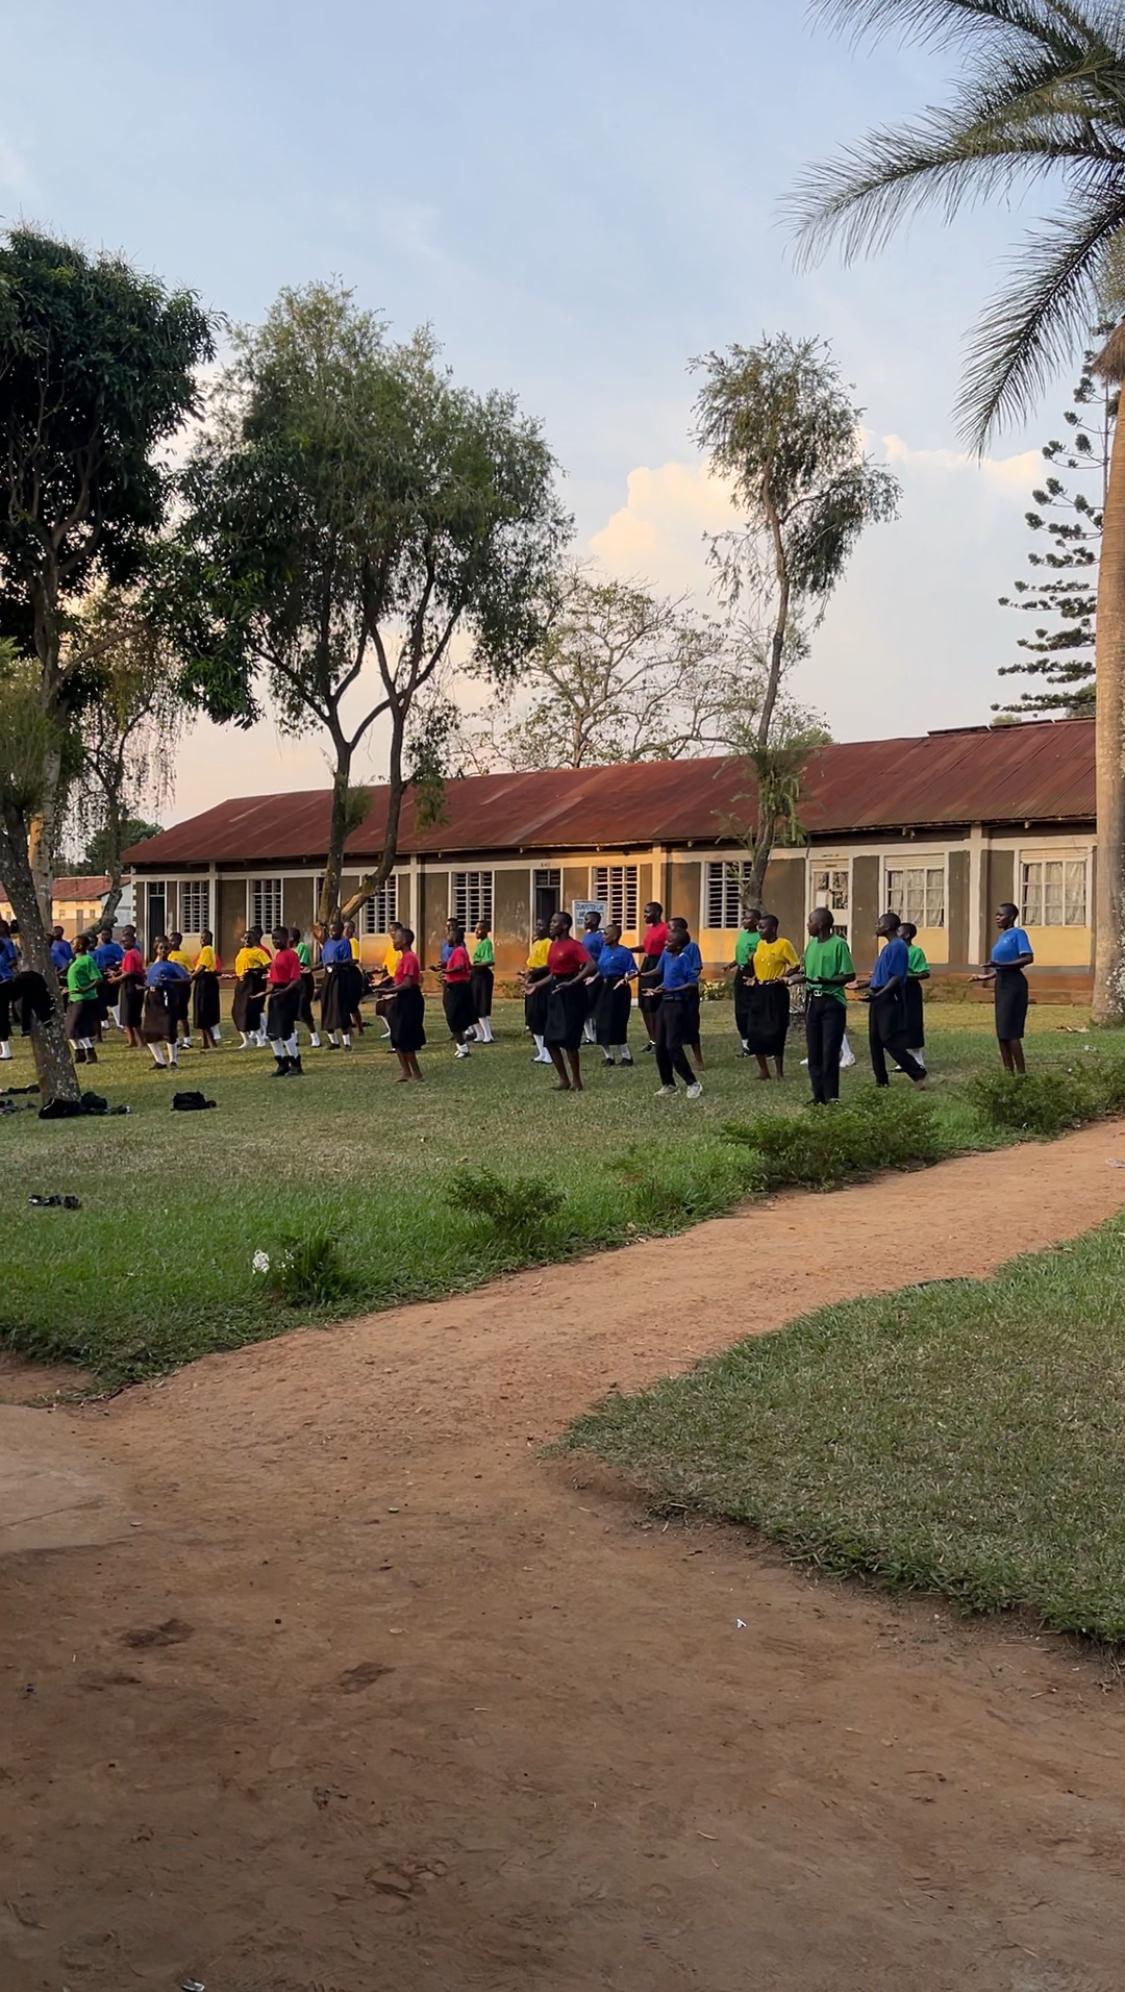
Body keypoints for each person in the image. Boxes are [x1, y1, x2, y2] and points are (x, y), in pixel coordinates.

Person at [857, 913, 928, 1089]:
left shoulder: (898, 947)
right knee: (875, 1040)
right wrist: (860, 985)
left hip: (888, 996)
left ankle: (917, 1073)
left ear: (888, 927)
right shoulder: (887, 948)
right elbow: (881, 976)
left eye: (879, 922)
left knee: (888, 1038)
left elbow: (896, 977)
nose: (877, 925)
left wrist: (880, 995)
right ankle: (881, 1081)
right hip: (878, 995)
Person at [801, 907, 856, 1105]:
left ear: (821, 924)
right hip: (813, 1002)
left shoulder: (839, 945)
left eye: (810, 921)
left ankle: (832, 1096)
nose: (808, 925)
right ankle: (818, 1095)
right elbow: (805, 972)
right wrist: (790, 979)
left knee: (829, 1051)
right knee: (814, 1051)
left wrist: (828, 980)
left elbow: (849, 975)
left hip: (832, 1002)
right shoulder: (810, 946)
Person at [971, 903, 1035, 1074]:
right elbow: (1000, 968)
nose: (997, 918)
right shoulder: (1002, 937)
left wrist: (1000, 964)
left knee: (1011, 1031)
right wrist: (986, 976)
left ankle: (1021, 1074)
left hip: (1015, 985)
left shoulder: (1018, 934)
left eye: (1001, 915)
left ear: (1012, 917)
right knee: (1002, 1032)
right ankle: (1008, 1073)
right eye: (996, 915)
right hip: (1002, 984)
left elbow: (1028, 958)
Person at [742, 913, 799, 1080]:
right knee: (754, 1029)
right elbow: (758, 967)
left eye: (762, 927)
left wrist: (784, 976)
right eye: (758, 927)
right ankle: (763, 1070)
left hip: (776, 991)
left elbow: (795, 965)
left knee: (776, 1029)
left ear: (773, 928)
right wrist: (754, 978)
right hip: (760, 990)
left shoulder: (783, 944)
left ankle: (779, 1071)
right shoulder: (760, 945)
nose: (759, 930)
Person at [653, 924, 703, 1100]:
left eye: (669, 941)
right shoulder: (667, 956)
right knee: (660, 1047)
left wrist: (673, 990)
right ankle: (668, 1084)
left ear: (679, 946)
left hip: (677, 1006)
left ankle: (692, 1083)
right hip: (664, 1005)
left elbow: (692, 983)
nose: (665, 943)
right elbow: (667, 981)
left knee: (672, 1046)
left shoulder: (683, 959)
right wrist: (659, 988)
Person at [543, 910, 591, 1091]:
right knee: (550, 1039)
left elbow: (591, 966)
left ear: (564, 926)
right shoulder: (553, 946)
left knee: (569, 1040)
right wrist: (536, 985)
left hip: (572, 993)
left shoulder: (574, 946)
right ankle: (563, 1079)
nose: (551, 924)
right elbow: (553, 973)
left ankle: (577, 1080)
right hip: (556, 991)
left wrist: (572, 982)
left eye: (555, 922)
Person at [379, 925, 426, 1081]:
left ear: (404, 941)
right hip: (401, 998)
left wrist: (389, 991)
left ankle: (416, 1073)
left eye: (396, 938)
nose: (393, 941)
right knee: (397, 1036)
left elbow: (407, 984)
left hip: (409, 999)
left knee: (405, 1037)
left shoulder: (410, 958)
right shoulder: (403, 958)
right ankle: (405, 1071)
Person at [593, 921, 637, 1066]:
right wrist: (592, 978)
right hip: (604, 987)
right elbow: (600, 967)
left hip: (618, 988)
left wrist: (625, 980)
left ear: (615, 936)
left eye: (606, 934)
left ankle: (626, 1056)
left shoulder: (624, 952)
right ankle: (608, 1056)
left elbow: (633, 971)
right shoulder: (604, 950)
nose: (603, 937)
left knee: (617, 1021)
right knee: (600, 1021)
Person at [264, 925, 305, 1077]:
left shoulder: (291, 955)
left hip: (287, 994)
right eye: (273, 938)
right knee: (272, 1032)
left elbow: (296, 978)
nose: (275, 941)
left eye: (278, 938)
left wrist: (285, 991)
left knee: (285, 1031)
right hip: (276, 993)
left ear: (286, 939)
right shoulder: (277, 955)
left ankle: (295, 1063)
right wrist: (266, 992)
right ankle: (282, 1063)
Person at [142, 939, 189, 1069]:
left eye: (166, 948)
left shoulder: (173, 966)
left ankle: (173, 1060)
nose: (163, 950)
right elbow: (149, 981)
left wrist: (170, 980)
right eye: (161, 948)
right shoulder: (152, 966)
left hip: (166, 997)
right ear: (156, 950)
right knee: (149, 1031)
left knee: (168, 1029)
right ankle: (160, 1061)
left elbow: (187, 979)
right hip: (152, 998)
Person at [633, 900, 670, 1052]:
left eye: (647, 912)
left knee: (654, 1003)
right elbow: (646, 947)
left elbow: (668, 947)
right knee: (644, 1004)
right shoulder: (651, 929)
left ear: (657, 913)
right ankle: (652, 1040)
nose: (644, 916)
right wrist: (628, 950)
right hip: (647, 963)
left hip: (658, 964)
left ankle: (660, 1040)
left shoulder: (665, 928)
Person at [438, 921, 477, 1058]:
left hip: (458, 987)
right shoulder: (456, 951)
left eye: (449, 936)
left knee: (454, 1017)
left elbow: (460, 967)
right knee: (453, 1017)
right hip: (454, 986)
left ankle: (463, 1046)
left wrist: (447, 970)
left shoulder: (459, 950)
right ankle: (461, 1046)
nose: (447, 938)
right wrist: (443, 967)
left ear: (454, 938)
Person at [65, 934, 103, 1064]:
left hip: (84, 999)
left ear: (80, 946)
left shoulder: (87, 960)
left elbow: (98, 979)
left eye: (73, 944)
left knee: (78, 1027)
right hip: (73, 997)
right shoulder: (75, 961)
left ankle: (90, 1052)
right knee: (69, 1029)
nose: (71, 946)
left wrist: (85, 989)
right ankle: (78, 1052)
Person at [728, 908, 761, 1055]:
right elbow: (741, 954)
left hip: (754, 973)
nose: (744, 921)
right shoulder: (742, 935)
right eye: (744, 918)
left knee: (753, 1008)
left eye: (747, 918)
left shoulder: (761, 937)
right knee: (740, 1009)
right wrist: (731, 965)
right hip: (741, 972)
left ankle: (758, 1043)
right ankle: (746, 1044)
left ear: (756, 922)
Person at [898, 920, 930, 1071]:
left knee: (913, 1023)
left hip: (910, 991)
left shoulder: (916, 951)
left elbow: (924, 973)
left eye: (899, 931)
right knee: (899, 1023)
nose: (896, 934)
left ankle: (918, 1059)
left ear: (907, 935)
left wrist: (904, 976)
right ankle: (905, 1059)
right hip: (897, 990)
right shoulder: (895, 951)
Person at [232, 929, 271, 1048]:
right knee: (236, 1011)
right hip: (241, 984)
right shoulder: (241, 951)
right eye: (245, 938)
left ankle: (260, 1038)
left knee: (250, 1011)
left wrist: (255, 970)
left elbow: (268, 964)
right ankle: (246, 1040)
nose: (247, 940)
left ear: (255, 940)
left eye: (250, 938)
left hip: (252, 984)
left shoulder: (258, 952)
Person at [320, 919, 356, 1049]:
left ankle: (346, 1042)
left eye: (334, 930)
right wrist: (311, 969)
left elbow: (349, 960)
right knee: (326, 1006)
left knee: (340, 1008)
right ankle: (334, 1041)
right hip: (328, 977)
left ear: (341, 931)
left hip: (339, 978)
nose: (331, 932)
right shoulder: (327, 943)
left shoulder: (344, 943)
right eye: (330, 930)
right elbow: (323, 961)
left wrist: (337, 964)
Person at [523, 917, 553, 1065]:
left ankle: (549, 1053)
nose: (537, 928)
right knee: (532, 1015)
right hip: (533, 978)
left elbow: (549, 965)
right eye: (536, 925)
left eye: (541, 925)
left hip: (543, 979)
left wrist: (534, 973)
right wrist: (528, 974)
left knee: (542, 1014)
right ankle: (541, 1052)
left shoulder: (549, 943)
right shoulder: (536, 943)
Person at [191, 929, 222, 1050]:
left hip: (206, 982)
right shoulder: (204, 951)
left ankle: (212, 1042)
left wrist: (190, 977)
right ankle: (205, 1043)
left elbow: (202, 967)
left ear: (210, 939)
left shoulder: (207, 950)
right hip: (202, 980)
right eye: (201, 937)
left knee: (204, 1012)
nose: (202, 940)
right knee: (200, 1012)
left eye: (205, 937)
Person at [117, 926, 146, 1048]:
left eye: (126, 941)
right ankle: (136, 1041)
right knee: (132, 1015)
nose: (124, 943)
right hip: (134, 985)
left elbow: (129, 972)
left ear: (133, 942)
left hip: (130, 986)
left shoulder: (130, 954)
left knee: (129, 1015)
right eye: (122, 941)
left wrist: (115, 979)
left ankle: (135, 1041)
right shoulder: (134, 953)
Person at [92, 924, 125, 1032]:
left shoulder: (115, 947)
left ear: (111, 935)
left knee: (113, 999)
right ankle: (104, 1023)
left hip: (111, 974)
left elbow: (121, 961)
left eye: (106, 934)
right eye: (102, 935)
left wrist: (113, 968)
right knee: (101, 999)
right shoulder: (99, 949)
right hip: (100, 975)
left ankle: (119, 1023)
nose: (104, 937)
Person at [291, 926, 320, 1048]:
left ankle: (315, 1037)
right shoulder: (286, 950)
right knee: (290, 1010)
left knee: (303, 1010)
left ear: (292, 938)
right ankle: (293, 1036)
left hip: (304, 982)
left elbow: (301, 964)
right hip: (292, 982)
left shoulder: (301, 947)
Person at [581, 910, 606, 1043]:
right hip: (585, 971)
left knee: (594, 1005)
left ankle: (597, 1035)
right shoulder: (586, 936)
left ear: (594, 921)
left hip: (596, 973)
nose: (584, 922)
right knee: (584, 1005)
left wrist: (597, 975)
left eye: (587, 919)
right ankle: (589, 1036)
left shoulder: (600, 937)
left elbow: (603, 957)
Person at [166, 931, 194, 1047]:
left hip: (182, 988)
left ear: (180, 942)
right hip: (171, 988)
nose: (172, 943)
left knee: (182, 1015)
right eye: (170, 940)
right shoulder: (167, 955)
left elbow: (190, 972)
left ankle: (187, 1040)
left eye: (174, 940)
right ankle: (175, 1039)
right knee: (172, 1015)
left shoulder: (184, 956)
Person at [471, 919, 496, 1044]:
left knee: (481, 1004)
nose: (476, 931)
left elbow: (490, 961)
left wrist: (476, 965)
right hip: (476, 975)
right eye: (475, 929)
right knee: (474, 1004)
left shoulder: (486, 943)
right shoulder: (480, 944)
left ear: (486, 931)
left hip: (483, 976)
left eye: (479, 929)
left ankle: (488, 1035)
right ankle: (480, 1033)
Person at [0, 918, 18, 1062]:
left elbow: (13, 960)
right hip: (5, 983)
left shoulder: (6, 945)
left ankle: (6, 1050)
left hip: (3, 985)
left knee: (2, 1017)